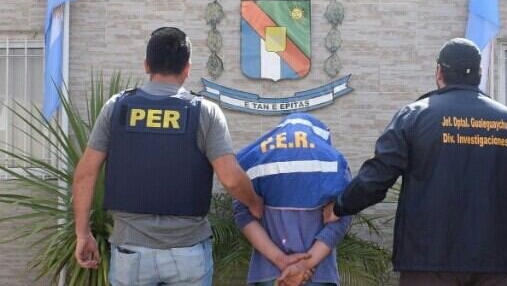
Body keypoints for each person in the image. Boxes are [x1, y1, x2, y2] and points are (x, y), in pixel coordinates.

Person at [324, 38, 507, 286]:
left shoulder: (414, 117)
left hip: (428, 261)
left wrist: (340, 206)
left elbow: (377, 177)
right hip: (494, 262)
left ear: (439, 72)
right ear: (479, 74)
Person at [72, 26, 263, 286]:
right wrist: (253, 202)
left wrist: (83, 234)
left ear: (146, 65)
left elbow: (85, 174)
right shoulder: (205, 112)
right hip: (189, 252)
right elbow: (230, 179)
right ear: (187, 68)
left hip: (131, 252)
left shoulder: (116, 108)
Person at [233, 113, 352, 286]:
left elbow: (242, 213)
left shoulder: (257, 159)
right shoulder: (334, 162)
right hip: (319, 275)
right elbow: (342, 218)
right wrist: (306, 264)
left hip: (269, 273)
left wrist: (280, 260)